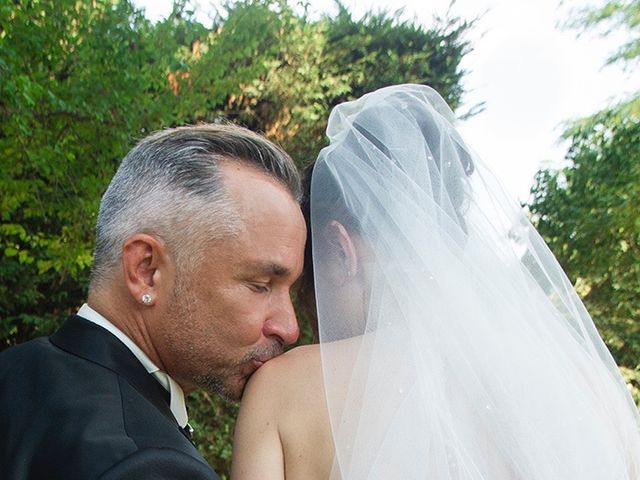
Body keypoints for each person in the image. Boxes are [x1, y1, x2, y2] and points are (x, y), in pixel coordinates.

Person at [231, 84, 640, 479]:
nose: (305, 316)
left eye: (308, 277)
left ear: (340, 250)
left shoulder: (285, 392)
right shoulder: (590, 387)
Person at [0, 123, 306, 479]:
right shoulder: (146, 465)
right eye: (260, 284)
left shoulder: (15, 373)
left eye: (291, 290)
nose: (289, 327)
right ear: (146, 270)